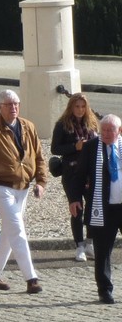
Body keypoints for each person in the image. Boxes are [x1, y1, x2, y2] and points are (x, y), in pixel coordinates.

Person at [0, 90, 47, 294]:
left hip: (24, 186)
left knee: (10, 233)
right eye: (9, 105)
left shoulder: (28, 126)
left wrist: (41, 181)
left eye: (16, 104)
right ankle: (31, 278)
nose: (13, 108)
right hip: (0, 185)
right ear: (0, 107)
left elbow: (38, 156)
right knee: (17, 229)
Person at [67, 114, 122, 305]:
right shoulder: (92, 148)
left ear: (119, 131)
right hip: (102, 208)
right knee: (102, 251)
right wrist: (74, 199)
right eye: (103, 130)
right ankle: (104, 290)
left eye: (110, 130)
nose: (106, 134)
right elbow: (79, 175)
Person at [51, 93, 99, 262]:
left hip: (89, 173)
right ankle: (79, 245)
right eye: (77, 106)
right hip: (71, 173)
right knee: (76, 210)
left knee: (94, 207)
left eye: (83, 106)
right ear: (71, 107)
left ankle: (90, 242)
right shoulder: (62, 125)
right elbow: (55, 148)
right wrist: (75, 146)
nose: (80, 110)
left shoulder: (92, 123)